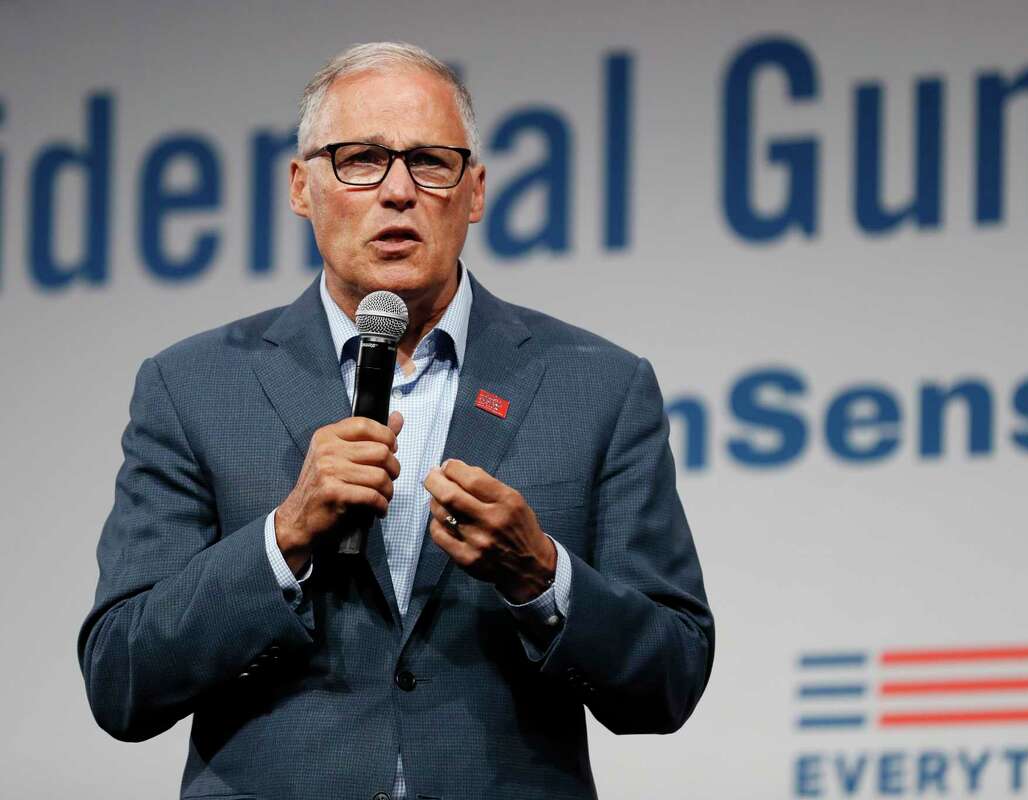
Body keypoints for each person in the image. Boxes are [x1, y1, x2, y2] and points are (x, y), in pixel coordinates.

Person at [79, 42, 714, 800]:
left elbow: (671, 677)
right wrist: (282, 538)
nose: (398, 191)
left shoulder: (597, 386)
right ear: (300, 187)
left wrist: (540, 577)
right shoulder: (194, 387)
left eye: (431, 163)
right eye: (360, 159)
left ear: (474, 191)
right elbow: (121, 679)